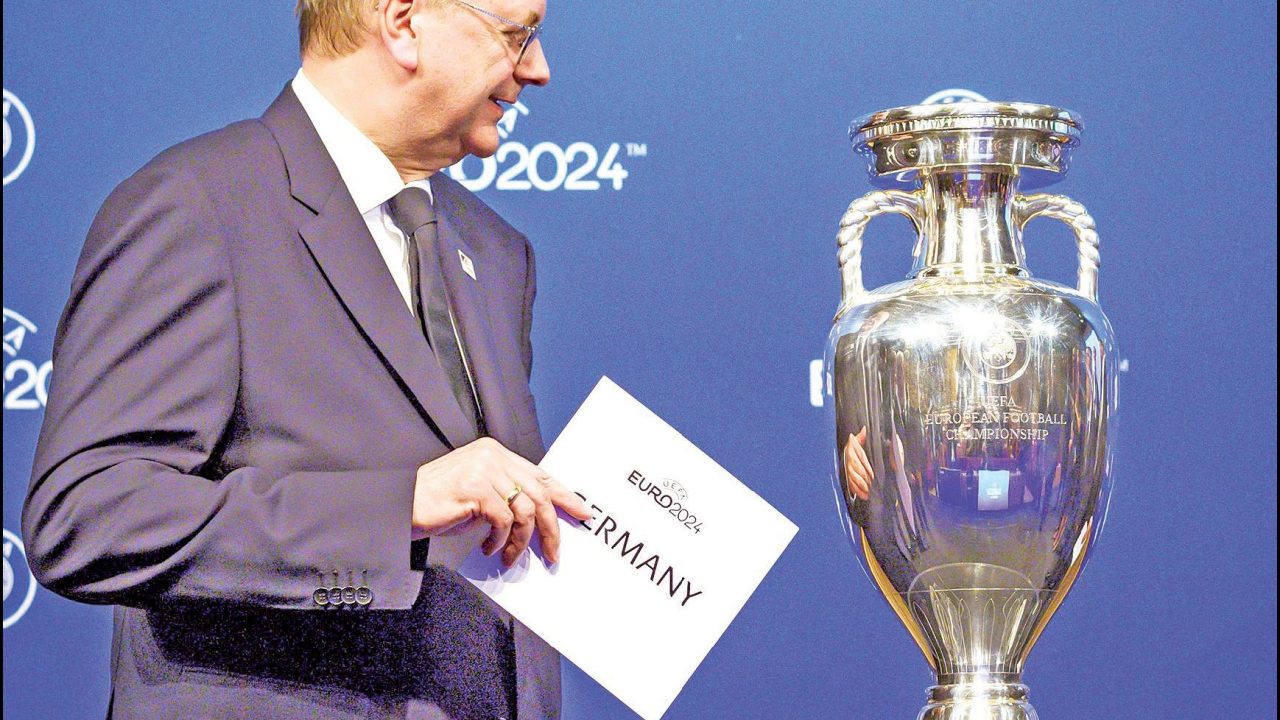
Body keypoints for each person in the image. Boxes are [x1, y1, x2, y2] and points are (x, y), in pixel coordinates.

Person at [20, 1, 592, 718]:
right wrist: (396, 508)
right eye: (517, 34)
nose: (537, 69)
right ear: (403, 21)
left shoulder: (498, 251)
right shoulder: (198, 204)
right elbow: (87, 516)